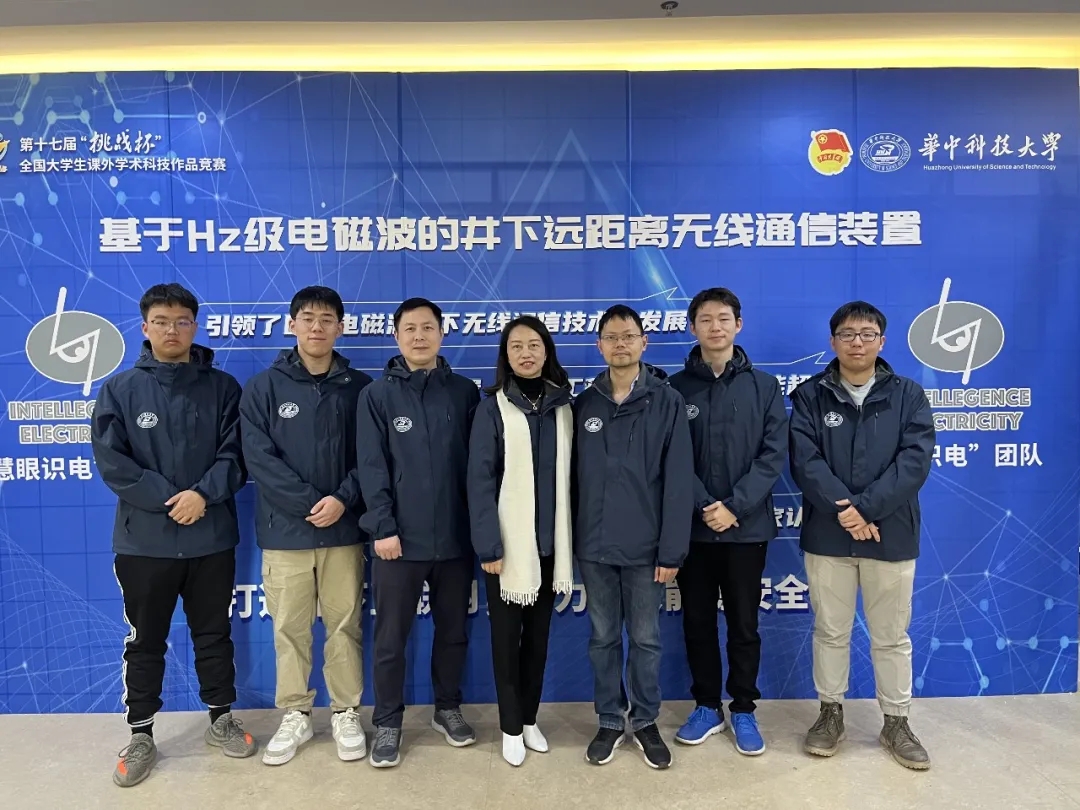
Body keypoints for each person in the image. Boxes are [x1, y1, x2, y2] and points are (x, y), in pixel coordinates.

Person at [91, 283, 255, 788]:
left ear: (195, 327)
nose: (172, 330)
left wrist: (202, 495)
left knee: (214, 633)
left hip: (210, 538)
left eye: (182, 321)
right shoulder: (120, 390)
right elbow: (113, 462)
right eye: (161, 321)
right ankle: (141, 734)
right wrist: (171, 498)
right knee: (146, 641)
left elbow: (237, 454)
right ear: (145, 327)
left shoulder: (223, 388)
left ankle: (221, 719)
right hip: (145, 543)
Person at [789, 301, 935, 771]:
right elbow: (805, 461)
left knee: (891, 636)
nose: (857, 342)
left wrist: (865, 509)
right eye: (848, 334)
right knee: (830, 631)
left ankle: (896, 721)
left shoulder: (908, 395)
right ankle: (830, 713)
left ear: (882, 341)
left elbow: (914, 461)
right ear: (832, 342)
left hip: (890, 534)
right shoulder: (810, 395)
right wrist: (848, 512)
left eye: (867, 334)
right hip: (828, 536)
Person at [239, 286, 373, 766]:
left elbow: (371, 457)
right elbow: (259, 458)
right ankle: (295, 712)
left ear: (341, 327)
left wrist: (342, 499)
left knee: (345, 626)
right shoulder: (263, 388)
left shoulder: (360, 388)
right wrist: (310, 502)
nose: (317, 327)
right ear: (292, 324)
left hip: (343, 531)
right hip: (286, 533)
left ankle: (345, 710)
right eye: (308, 318)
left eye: (327, 319)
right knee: (290, 629)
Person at [356, 297, 481, 768]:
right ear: (396, 336)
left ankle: (447, 708)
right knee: (391, 639)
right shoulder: (376, 396)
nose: (419, 336)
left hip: (455, 540)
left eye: (428, 328)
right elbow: (372, 467)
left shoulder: (464, 393)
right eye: (410, 328)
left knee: (453, 633)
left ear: (442, 334)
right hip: (398, 543)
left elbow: (479, 469)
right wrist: (383, 527)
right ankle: (388, 721)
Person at [572, 304, 694, 770]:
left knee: (645, 640)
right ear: (599, 345)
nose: (620, 344)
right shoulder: (584, 404)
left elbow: (678, 481)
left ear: (645, 342)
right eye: (611, 337)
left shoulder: (666, 401)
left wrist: (671, 550)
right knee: (602, 638)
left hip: (648, 549)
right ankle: (609, 718)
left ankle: (644, 720)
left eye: (628, 336)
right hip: (595, 546)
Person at [668, 287, 788, 757]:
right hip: (694, 529)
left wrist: (735, 506)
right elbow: (672, 457)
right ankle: (706, 706)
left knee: (743, 623)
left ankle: (743, 708)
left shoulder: (764, 387)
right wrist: (705, 505)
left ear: (739, 324)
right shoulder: (675, 389)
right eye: (705, 319)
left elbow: (773, 454)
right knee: (696, 622)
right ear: (692, 327)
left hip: (746, 528)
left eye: (723, 318)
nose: (715, 327)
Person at [467, 316, 574, 767]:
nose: (526, 353)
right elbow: (479, 482)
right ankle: (510, 725)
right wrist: (489, 547)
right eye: (516, 346)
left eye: (534, 345)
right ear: (505, 356)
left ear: (547, 351)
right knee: (506, 642)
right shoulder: (492, 408)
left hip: (550, 548)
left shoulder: (564, 406)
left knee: (538, 642)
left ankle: (530, 719)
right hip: (507, 552)